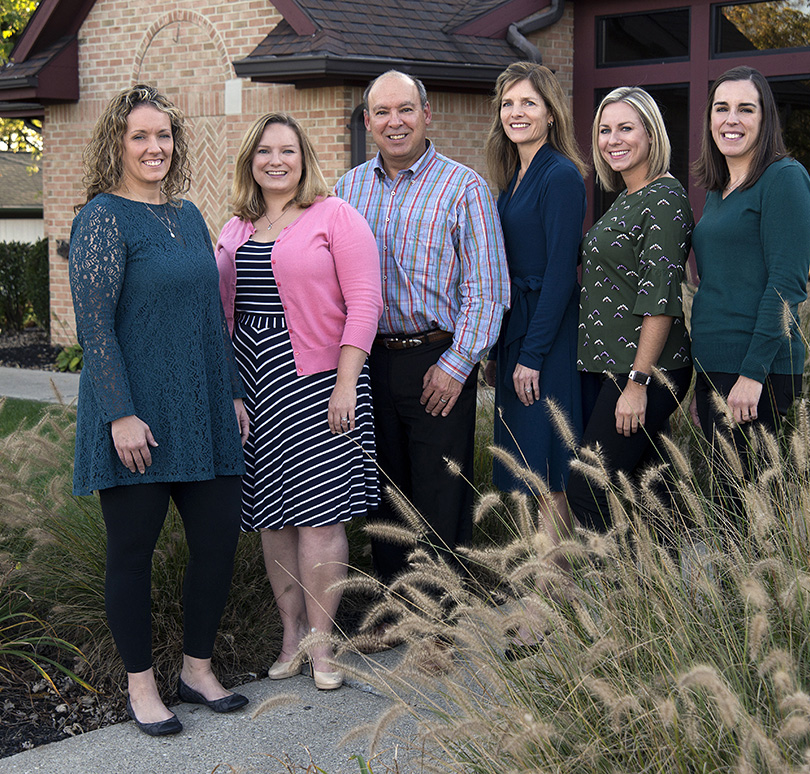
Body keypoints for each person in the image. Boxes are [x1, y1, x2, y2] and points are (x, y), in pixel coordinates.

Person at [69, 85, 249, 737]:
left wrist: (229, 393)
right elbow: (95, 326)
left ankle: (196, 670)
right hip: (135, 419)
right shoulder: (102, 218)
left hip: (201, 410)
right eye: (140, 135)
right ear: (117, 142)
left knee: (217, 543)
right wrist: (119, 413)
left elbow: (211, 319)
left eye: (164, 135)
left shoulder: (189, 215)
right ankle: (141, 685)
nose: (154, 147)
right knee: (133, 552)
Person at [216, 113, 381, 690]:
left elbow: (364, 304)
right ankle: (291, 635)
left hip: (319, 383)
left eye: (287, 149)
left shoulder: (336, 217)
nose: (276, 160)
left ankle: (323, 648)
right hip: (253, 386)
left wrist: (345, 383)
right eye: (264, 151)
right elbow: (223, 318)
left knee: (320, 520)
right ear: (250, 161)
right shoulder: (234, 229)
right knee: (272, 519)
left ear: (304, 157)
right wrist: (234, 391)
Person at [334, 70, 510, 584]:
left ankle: (441, 620)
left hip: (437, 358)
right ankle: (393, 610)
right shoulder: (348, 190)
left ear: (426, 115)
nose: (395, 122)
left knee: (440, 491)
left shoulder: (464, 188)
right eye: (382, 112)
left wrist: (456, 366)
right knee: (383, 490)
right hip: (369, 360)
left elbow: (488, 290)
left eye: (405, 110)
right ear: (368, 122)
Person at [688, 65, 810, 527]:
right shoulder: (719, 192)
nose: (731, 119)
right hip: (716, 368)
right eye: (721, 108)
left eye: (746, 108)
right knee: (727, 505)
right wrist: (701, 380)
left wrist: (752, 373)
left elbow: (786, 286)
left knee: (747, 515)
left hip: (754, 370)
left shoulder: (784, 179)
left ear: (765, 120)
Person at [566, 86, 694, 542]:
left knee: (587, 485)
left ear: (651, 133)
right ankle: (671, 593)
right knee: (649, 488)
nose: (613, 139)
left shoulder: (663, 197)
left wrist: (638, 382)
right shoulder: (627, 196)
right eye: (604, 129)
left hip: (645, 369)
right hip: (617, 366)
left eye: (625, 128)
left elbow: (660, 296)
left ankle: (617, 601)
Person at [482, 61, 587, 553]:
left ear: (550, 113)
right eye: (508, 103)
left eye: (529, 103)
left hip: (547, 338)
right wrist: (500, 349)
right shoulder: (515, 177)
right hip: (516, 332)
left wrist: (531, 354)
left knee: (548, 471)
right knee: (526, 471)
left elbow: (562, 274)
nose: (516, 112)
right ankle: (540, 598)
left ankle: (556, 602)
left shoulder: (560, 175)